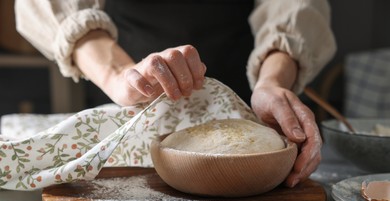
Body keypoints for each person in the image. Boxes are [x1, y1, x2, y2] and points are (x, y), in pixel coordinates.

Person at [14, 0, 336, 188]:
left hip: (248, 99)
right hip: (127, 106)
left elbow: (294, 6)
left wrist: (272, 82)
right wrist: (118, 76)